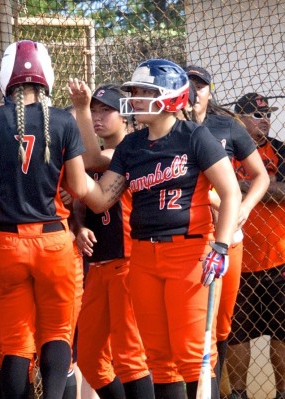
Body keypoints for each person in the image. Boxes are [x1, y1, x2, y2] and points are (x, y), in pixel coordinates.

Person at [80, 59, 241, 399]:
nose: (135, 98)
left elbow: (230, 192)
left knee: (193, 355)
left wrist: (222, 245)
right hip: (142, 255)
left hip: (189, 253)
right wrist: (70, 170)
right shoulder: (131, 146)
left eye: (144, 91)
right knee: (159, 357)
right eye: (135, 91)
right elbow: (99, 200)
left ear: (170, 96)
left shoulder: (194, 136)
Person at [0, 39, 89, 399]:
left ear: (6, 78)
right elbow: (78, 185)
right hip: (54, 241)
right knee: (57, 333)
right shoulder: (63, 120)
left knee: (16, 341)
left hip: (6, 241)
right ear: (45, 75)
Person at [184, 67, 270, 391]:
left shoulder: (227, 127)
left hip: (226, 240)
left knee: (220, 327)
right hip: (186, 239)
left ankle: (216, 390)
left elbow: (260, 176)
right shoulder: (170, 130)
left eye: (201, 85)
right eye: (188, 83)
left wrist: (244, 208)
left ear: (209, 90)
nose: (195, 90)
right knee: (192, 328)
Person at [69, 82, 154, 399]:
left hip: (126, 264)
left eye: (107, 110)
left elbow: (91, 161)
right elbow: (80, 203)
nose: (98, 116)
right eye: (93, 110)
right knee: (90, 360)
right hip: (99, 268)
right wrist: (78, 227)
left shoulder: (128, 150)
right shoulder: (96, 156)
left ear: (127, 116)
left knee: (130, 357)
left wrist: (77, 110)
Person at [226, 92, 285, 399]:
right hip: (238, 259)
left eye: (268, 114)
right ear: (239, 119)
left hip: (279, 258)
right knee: (238, 334)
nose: (266, 119)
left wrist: (238, 184)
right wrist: (262, 184)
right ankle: (238, 394)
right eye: (257, 114)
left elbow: (281, 192)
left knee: (282, 332)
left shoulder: (280, 150)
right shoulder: (224, 151)